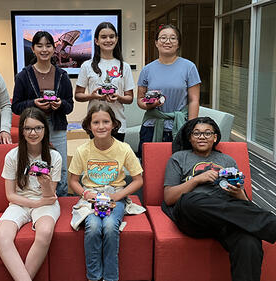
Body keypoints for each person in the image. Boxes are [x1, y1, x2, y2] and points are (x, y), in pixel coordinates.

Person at [162, 117, 276, 281]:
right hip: (193, 215)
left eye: (207, 133)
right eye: (196, 133)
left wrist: (238, 192)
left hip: (226, 216)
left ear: (215, 137)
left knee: (249, 241)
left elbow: (244, 205)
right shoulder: (179, 158)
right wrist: (197, 179)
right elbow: (169, 198)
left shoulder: (227, 160)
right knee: (192, 201)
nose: (202, 137)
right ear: (190, 138)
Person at [69, 104, 144, 281]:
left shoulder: (123, 149)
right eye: (96, 122)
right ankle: (94, 277)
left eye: (105, 121)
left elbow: (138, 180)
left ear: (114, 124)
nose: (101, 126)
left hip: (115, 196)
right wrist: (86, 194)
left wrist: (118, 196)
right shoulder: (83, 150)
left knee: (110, 227)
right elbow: (72, 181)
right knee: (94, 227)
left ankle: (111, 278)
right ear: (89, 126)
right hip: (91, 197)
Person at [0, 107, 61, 281]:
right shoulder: (12, 156)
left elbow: (50, 196)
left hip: (45, 202)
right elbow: (10, 195)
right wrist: (36, 203)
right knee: (0, 236)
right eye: (28, 128)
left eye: (38, 128)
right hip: (20, 202)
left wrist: (45, 185)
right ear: (22, 131)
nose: (33, 133)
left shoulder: (54, 157)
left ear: (45, 130)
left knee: (45, 232)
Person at [12, 31, 74, 197]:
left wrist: (60, 104)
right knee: (32, 163)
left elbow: (70, 106)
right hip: (33, 127)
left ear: (54, 49)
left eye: (48, 45)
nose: (44, 49)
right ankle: (35, 197)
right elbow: (16, 106)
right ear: (33, 49)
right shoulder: (24, 75)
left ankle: (59, 198)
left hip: (57, 124)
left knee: (59, 165)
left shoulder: (62, 75)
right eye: (39, 45)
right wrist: (33, 103)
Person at [136, 24, 201, 157]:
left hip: (179, 126)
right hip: (151, 126)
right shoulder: (147, 69)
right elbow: (140, 100)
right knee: (150, 166)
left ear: (178, 44)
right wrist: (150, 104)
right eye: (163, 38)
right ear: (156, 43)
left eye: (173, 38)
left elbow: (194, 100)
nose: (167, 41)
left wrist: (191, 127)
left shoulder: (189, 67)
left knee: (178, 166)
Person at [75, 22, 134, 142]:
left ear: (116, 39)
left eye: (111, 37)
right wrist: (92, 96)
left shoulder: (124, 66)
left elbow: (130, 98)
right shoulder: (87, 66)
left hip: (118, 124)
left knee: (116, 159)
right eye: (103, 37)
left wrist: (117, 97)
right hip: (95, 123)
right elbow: (78, 95)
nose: (108, 40)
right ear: (96, 41)